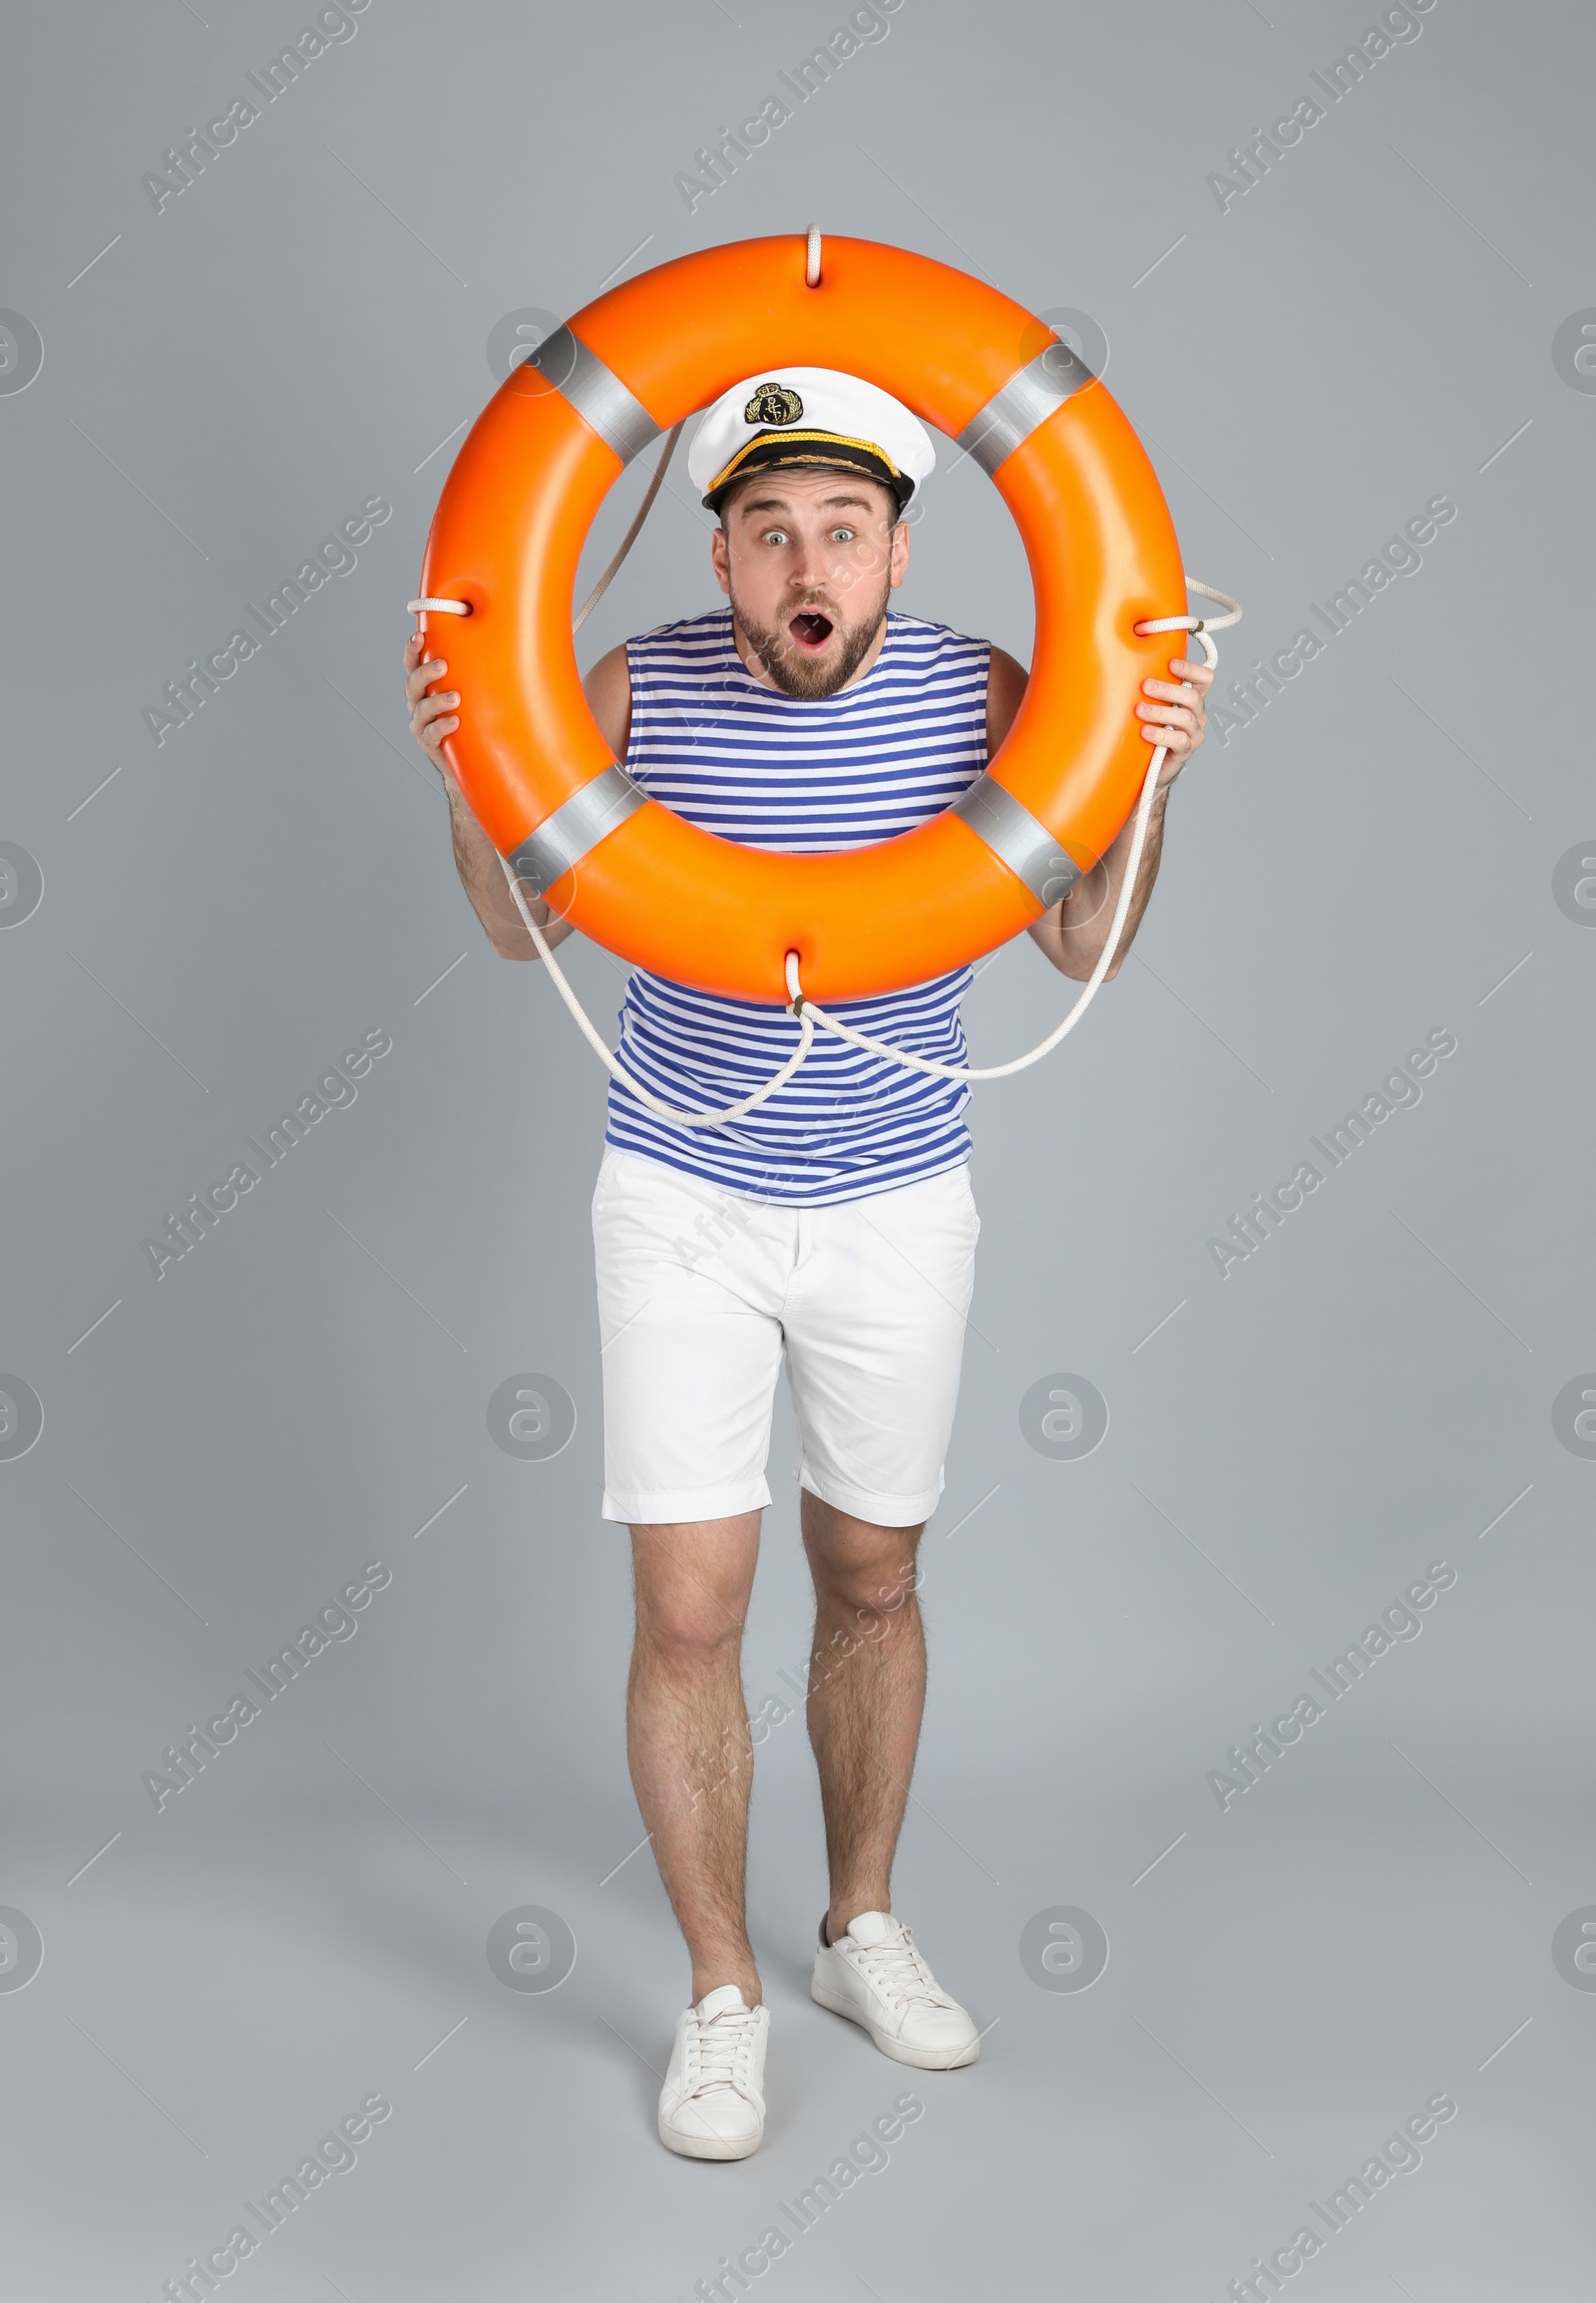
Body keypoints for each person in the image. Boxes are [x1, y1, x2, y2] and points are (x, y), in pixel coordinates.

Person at [405, 368, 1211, 2159]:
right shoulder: (630, 690)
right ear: (720, 553)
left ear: (901, 547)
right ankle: (720, 1990)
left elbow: (1080, 944)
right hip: (680, 1193)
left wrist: (1145, 776)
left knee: (871, 1571)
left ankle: (857, 1928)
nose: (805, 559)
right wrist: (472, 759)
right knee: (689, 1606)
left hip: (898, 1195)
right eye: (769, 529)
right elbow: (510, 916)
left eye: (841, 525)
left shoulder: (987, 692)